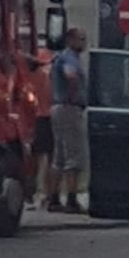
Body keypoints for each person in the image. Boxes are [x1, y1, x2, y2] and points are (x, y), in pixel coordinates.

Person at [50, 27, 89, 213]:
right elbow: (70, 75)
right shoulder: (70, 57)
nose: (84, 43)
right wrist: (73, 96)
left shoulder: (60, 56)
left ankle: (54, 198)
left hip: (58, 108)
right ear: (70, 39)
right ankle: (71, 200)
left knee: (59, 156)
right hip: (69, 108)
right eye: (81, 39)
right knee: (73, 155)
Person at [27, 49, 54, 208]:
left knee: (36, 158)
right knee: (49, 158)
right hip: (48, 117)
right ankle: (46, 193)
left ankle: (33, 193)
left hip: (35, 118)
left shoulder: (31, 76)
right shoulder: (49, 77)